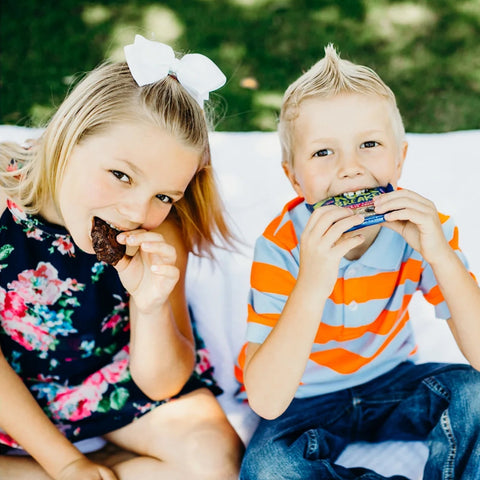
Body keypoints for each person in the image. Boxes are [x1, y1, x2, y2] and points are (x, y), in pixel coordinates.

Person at [0, 34, 243, 480]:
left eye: (164, 195)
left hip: (105, 378)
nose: (137, 213)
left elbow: (162, 383)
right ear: (70, 138)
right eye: (120, 175)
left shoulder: (158, 230)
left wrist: (150, 305)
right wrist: (66, 463)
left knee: (217, 457)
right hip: (10, 394)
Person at [236, 44, 480, 479]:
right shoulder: (279, 247)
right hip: (304, 399)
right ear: (294, 177)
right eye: (323, 153)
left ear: (400, 159)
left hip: (393, 381)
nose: (350, 170)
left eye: (369, 144)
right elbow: (267, 400)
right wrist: (312, 278)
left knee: (476, 393)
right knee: (268, 469)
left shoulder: (424, 231)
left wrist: (440, 255)